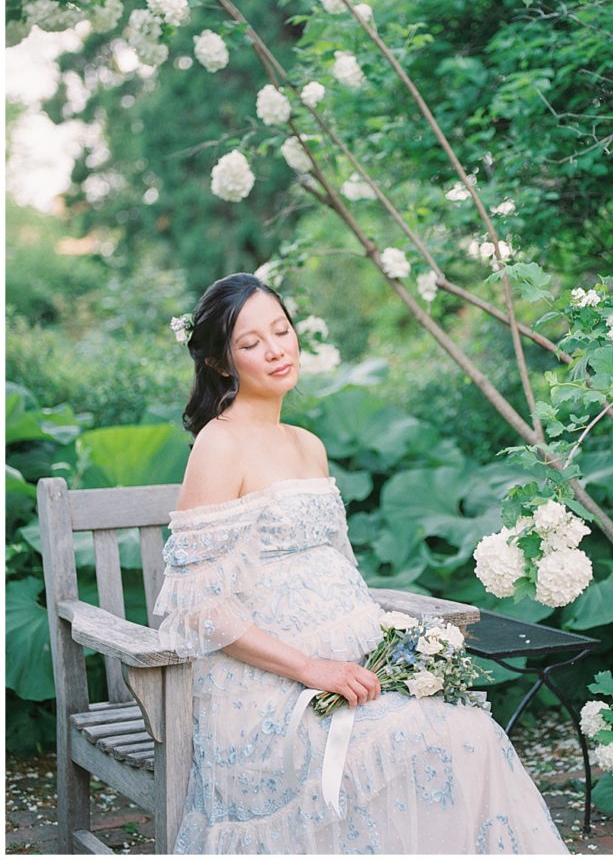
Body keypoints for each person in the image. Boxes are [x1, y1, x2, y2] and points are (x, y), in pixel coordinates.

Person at [155, 272, 571, 854]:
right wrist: (310, 669)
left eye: (282, 330)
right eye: (251, 343)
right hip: (269, 688)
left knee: (468, 731)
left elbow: (338, 564)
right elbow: (199, 606)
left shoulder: (307, 444)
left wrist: (387, 648)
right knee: (430, 737)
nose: (276, 350)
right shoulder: (219, 445)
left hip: (356, 664)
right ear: (222, 364)